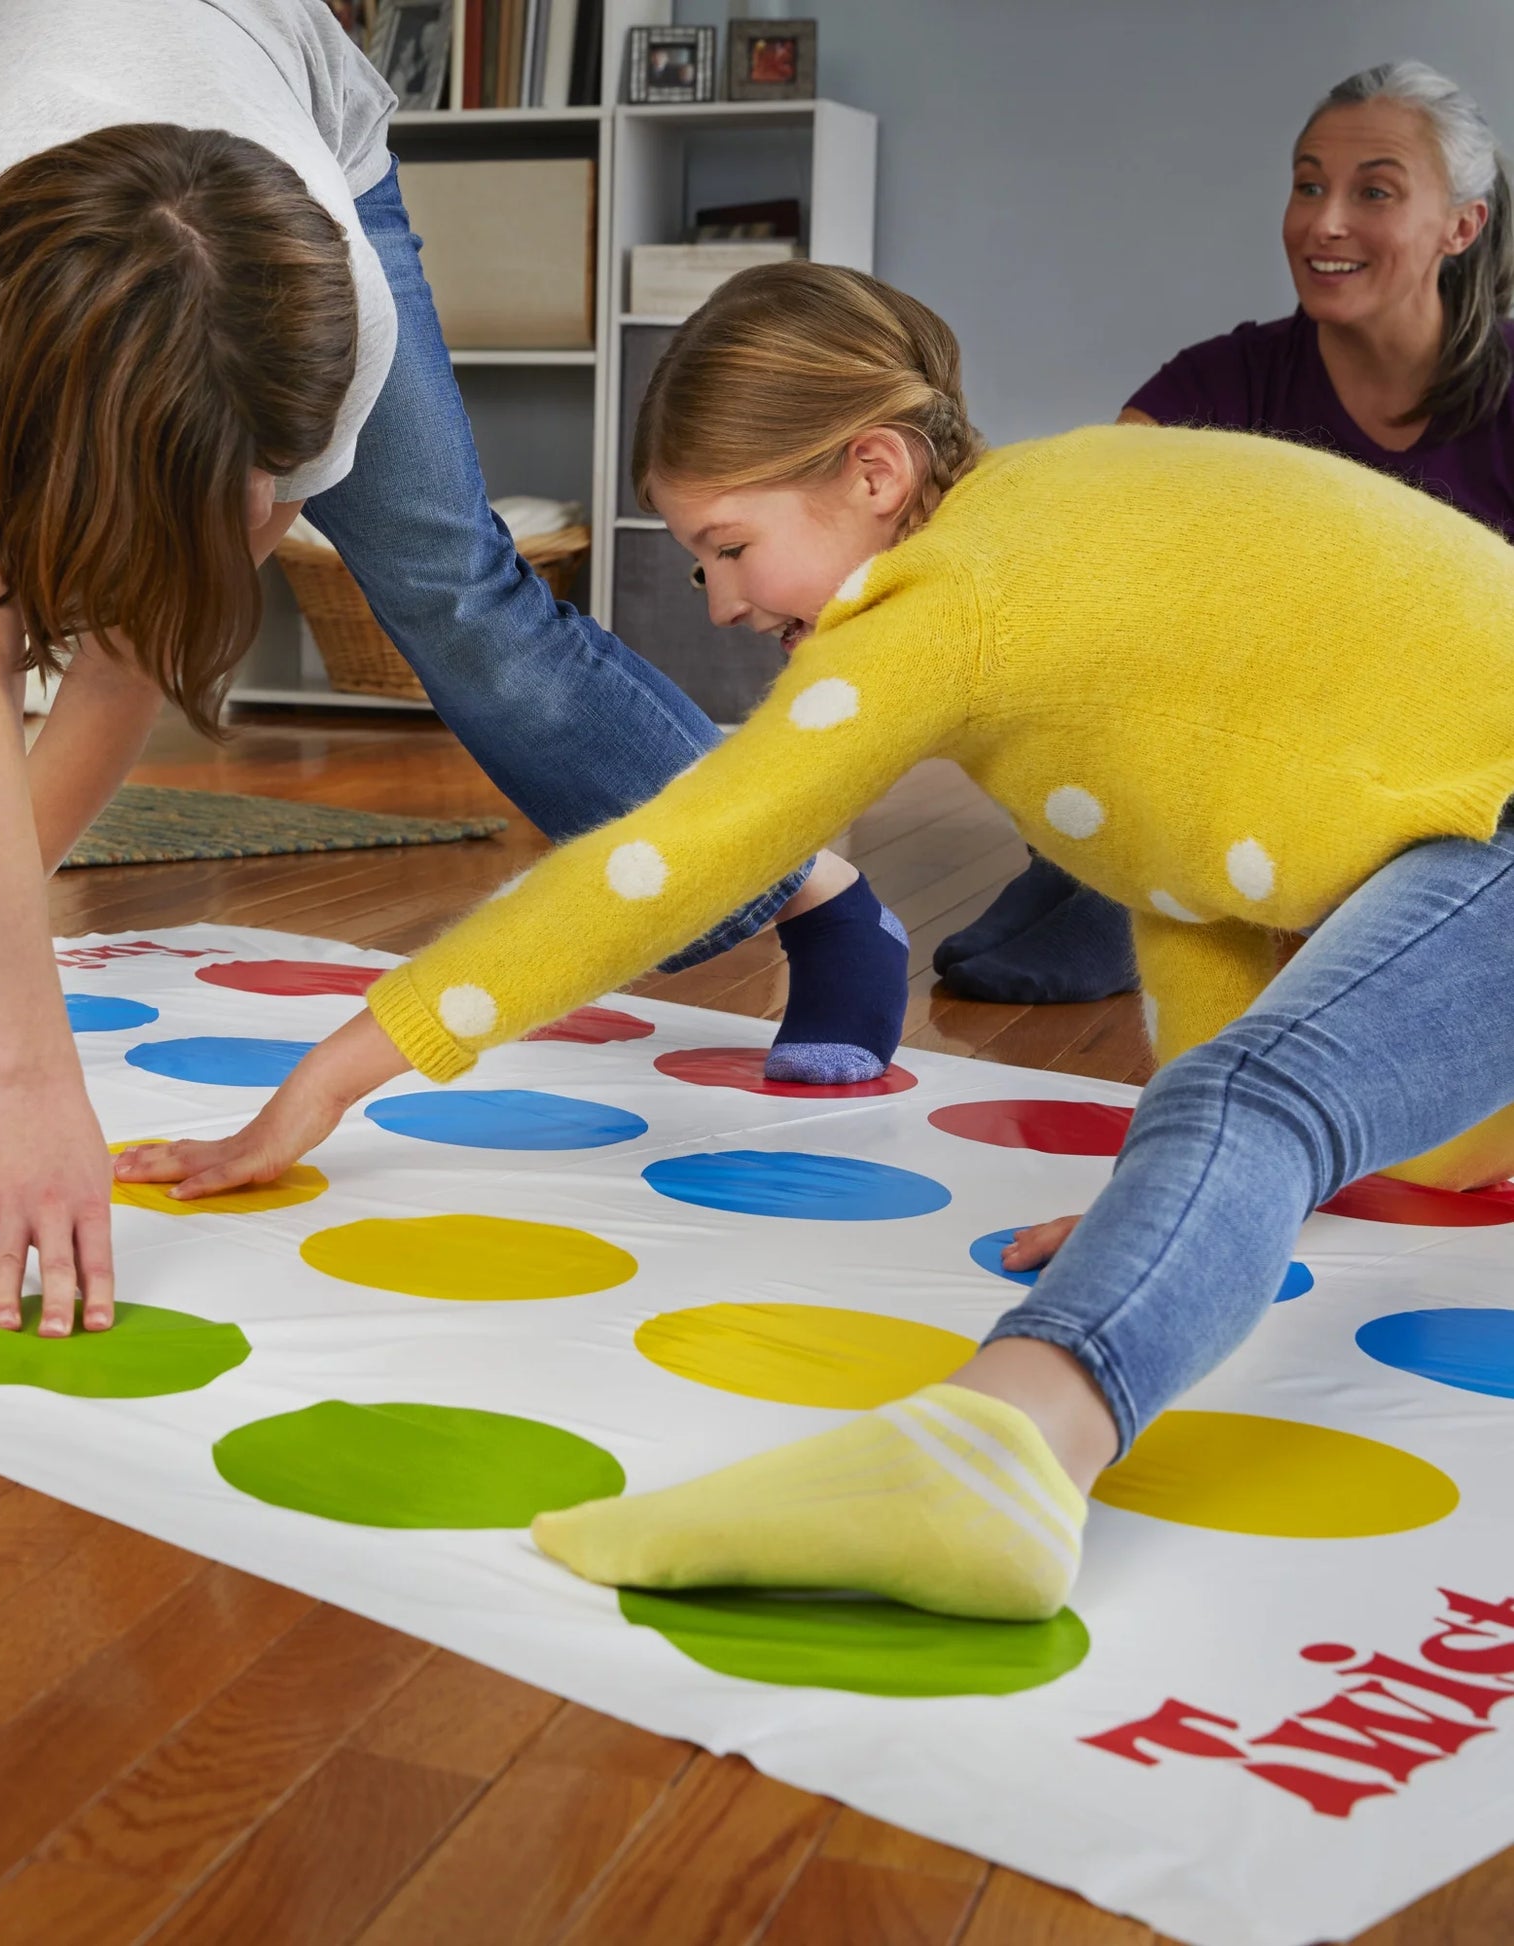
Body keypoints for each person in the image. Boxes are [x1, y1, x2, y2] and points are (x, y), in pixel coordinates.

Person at [121, 258, 1514, 1623]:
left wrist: (334, 1072)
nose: (722, 600)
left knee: (1252, 1099)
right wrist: (1173, 1198)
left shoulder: (944, 604)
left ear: (871, 473)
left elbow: (668, 864)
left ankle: (991, 1458)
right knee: (1242, 1105)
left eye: (728, 547)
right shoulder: (1035, 531)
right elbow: (1193, 878)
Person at [0, 0, 902, 1340]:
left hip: (273, 133)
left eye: (271, 486)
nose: (268, 530)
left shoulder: (319, 314)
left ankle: (817, 889)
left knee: (455, 595)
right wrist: (27, 1079)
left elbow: (129, 665)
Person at [936, 58, 1514, 1007]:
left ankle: (1201, 894)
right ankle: (1120, 882)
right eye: (1307, 185)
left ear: (1462, 225)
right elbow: (1081, 536)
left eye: (1374, 191)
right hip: (1247, 753)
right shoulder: (1222, 381)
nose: (1324, 221)